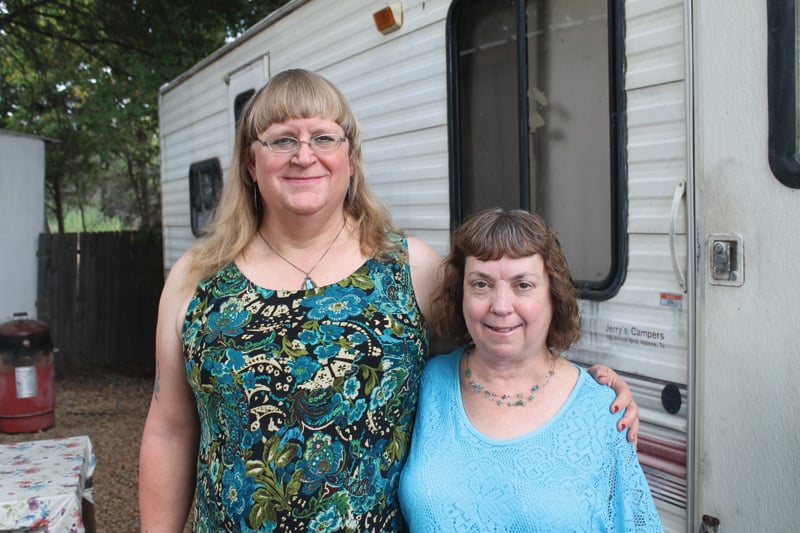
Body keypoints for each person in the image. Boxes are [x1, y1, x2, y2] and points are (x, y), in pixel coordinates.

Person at [139, 69, 640, 532]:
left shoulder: (411, 268)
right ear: (251, 162)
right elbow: (170, 432)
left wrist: (588, 391)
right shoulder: (197, 280)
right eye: (282, 140)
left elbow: (499, 348)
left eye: (324, 138)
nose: (304, 155)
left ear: (350, 158)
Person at [398, 208, 663, 531]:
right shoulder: (427, 384)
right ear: (461, 295)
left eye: (523, 285)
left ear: (554, 295)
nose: (501, 305)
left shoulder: (602, 410)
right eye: (481, 284)